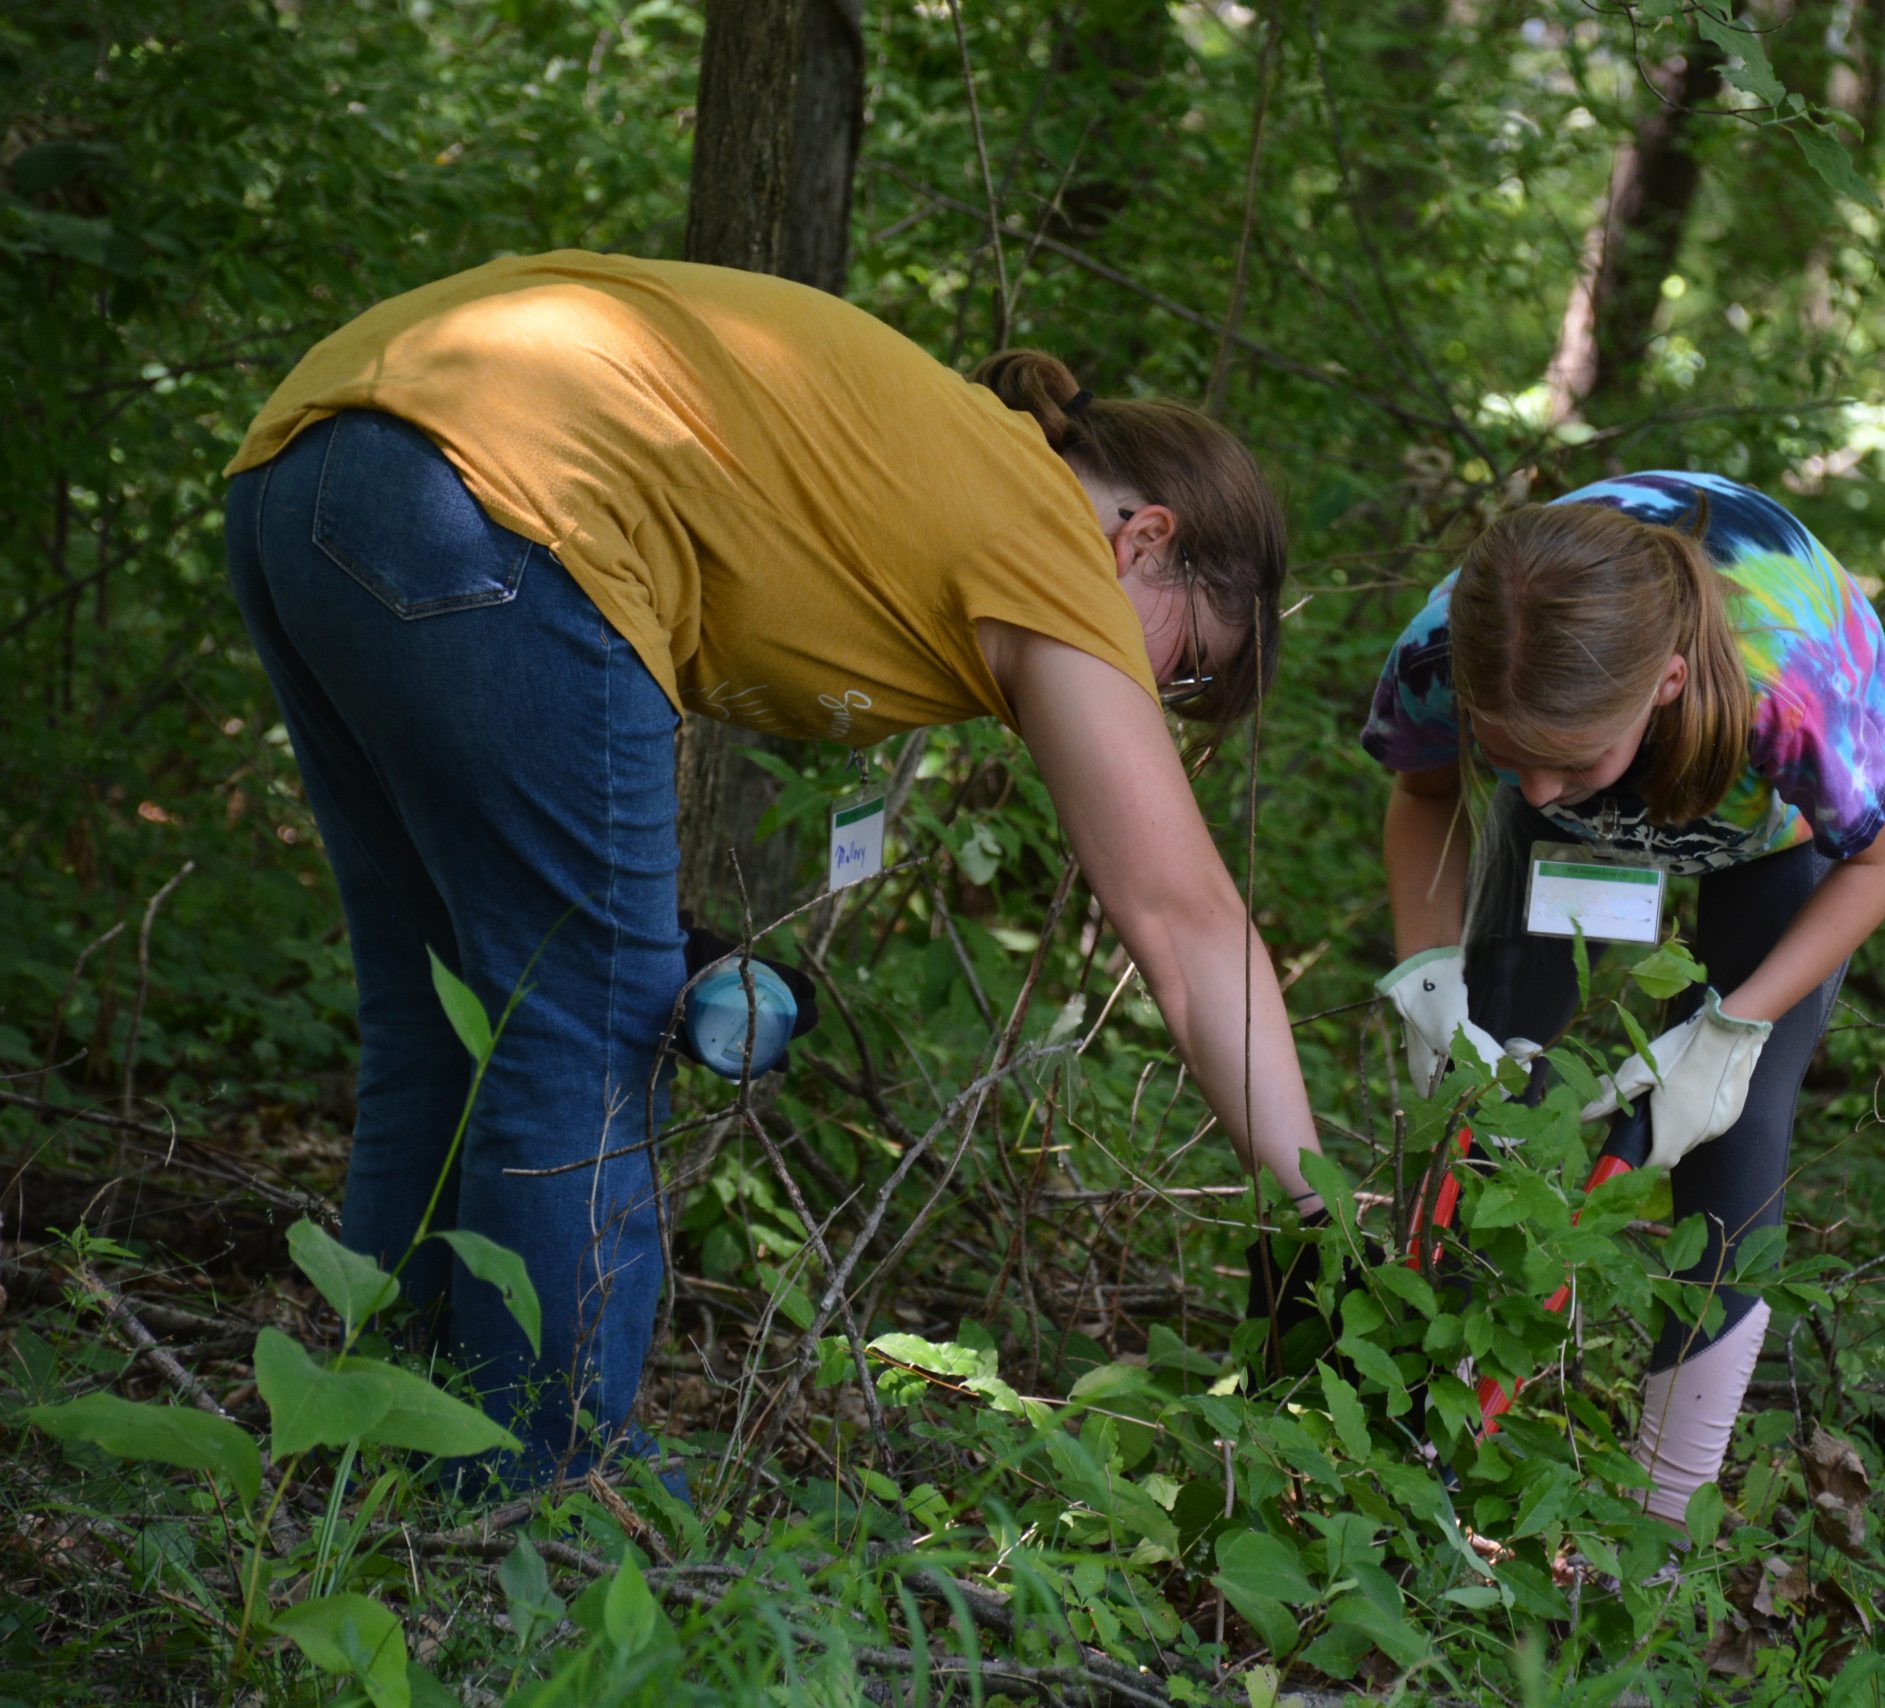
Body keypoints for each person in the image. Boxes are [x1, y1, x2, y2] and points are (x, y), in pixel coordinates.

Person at [222, 250, 1328, 1486]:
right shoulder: (1050, 539)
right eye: (1183, 667)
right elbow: (1185, 922)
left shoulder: (953, 470)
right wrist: (1318, 1203)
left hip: (313, 461)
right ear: (1147, 542)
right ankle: (542, 1486)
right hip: (511, 499)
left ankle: (368, 1443)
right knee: (585, 1033)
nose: (1158, 701)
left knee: (442, 1011)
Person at [1363, 471, 1885, 1525]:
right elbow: (1422, 792)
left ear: (1663, 682)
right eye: (1506, 754)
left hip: (1771, 838)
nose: (1526, 789)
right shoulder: (1452, 648)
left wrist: (1730, 1027)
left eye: (1562, 761)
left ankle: (1658, 1535)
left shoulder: (1791, 693)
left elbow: (1884, 861)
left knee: (1732, 1137)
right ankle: (1424, 1477)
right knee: (1494, 1098)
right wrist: (1426, 970)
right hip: (1580, 846)